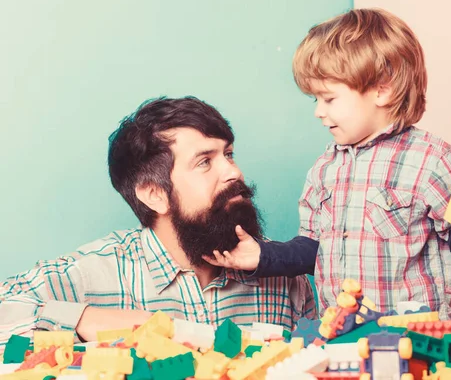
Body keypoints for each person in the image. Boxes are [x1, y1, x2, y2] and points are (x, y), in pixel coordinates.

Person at [203, 8, 451, 320]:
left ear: (381, 90)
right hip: (343, 336)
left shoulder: (431, 159)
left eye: (329, 99)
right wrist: (263, 256)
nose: (318, 110)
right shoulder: (324, 168)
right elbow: (314, 249)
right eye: (315, 99)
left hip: (416, 340)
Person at [0, 96, 315, 350]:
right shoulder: (98, 272)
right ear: (154, 194)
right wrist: (85, 319)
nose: (234, 173)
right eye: (204, 162)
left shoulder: (283, 275)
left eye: (228, 154)